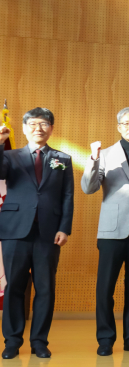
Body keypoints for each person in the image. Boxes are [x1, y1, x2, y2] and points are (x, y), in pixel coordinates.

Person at [81, 107, 129, 356]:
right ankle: (105, 339)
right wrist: (93, 159)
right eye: (126, 123)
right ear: (119, 127)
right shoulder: (104, 155)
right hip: (111, 231)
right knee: (105, 287)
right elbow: (88, 187)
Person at [0, 108, 73, 359]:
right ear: (24, 128)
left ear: (51, 128)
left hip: (49, 232)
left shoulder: (62, 159)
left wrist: (64, 227)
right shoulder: (9, 156)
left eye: (43, 123)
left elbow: (67, 196)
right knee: (14, 287)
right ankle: (12, 341)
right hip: (15, 230)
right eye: (32, 123)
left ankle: (39, 341)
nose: (38, 128)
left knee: (45, 288)